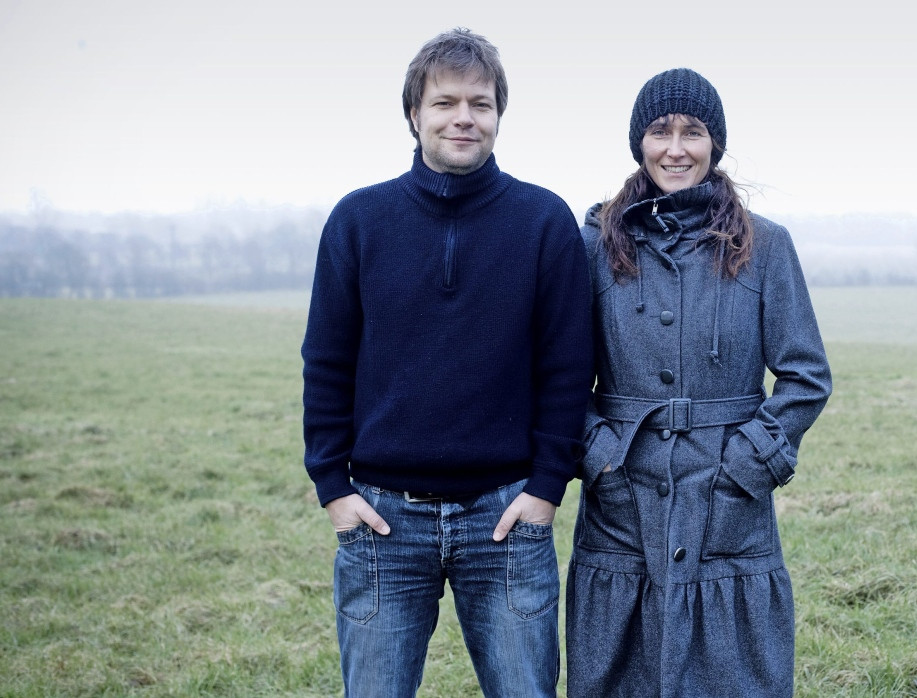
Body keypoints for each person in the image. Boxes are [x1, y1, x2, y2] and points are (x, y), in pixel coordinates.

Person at [301, 27, 592, 698]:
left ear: (498, 116)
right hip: (380, 521)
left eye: (481, 104)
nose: (464, 117)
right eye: (446, 103)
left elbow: (568, 367)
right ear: (414, 114)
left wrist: (546, 488)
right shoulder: (359, 221)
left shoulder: (543, 222)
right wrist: (333, 488)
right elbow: (326, 360)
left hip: (506, 518)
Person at [565, 68, 832, 697]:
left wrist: (748, 463)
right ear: (640, 142)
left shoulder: (765, 246)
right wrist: (600, 455)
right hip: (623, 504)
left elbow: (806, 374)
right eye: (661, 131)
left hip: (729, 506)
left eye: (693, 132)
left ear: (715, 144)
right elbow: (558, 378)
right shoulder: (595, 246)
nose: (676, 148)